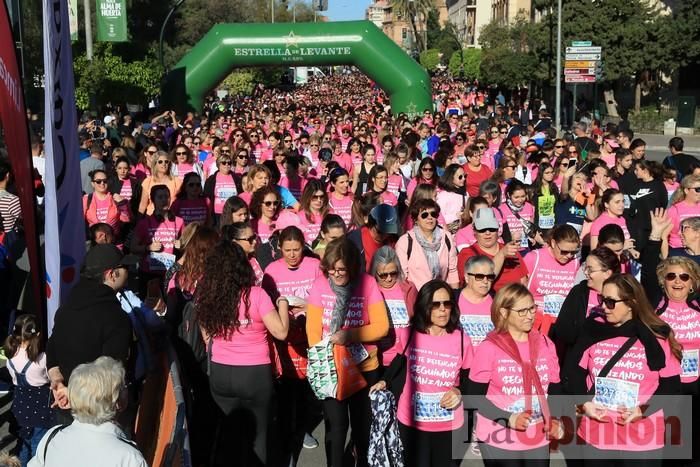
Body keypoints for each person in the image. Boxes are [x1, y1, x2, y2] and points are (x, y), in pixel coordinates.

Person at [566, 274, 681, 465]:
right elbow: (574, 375)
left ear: (631, 303)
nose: (603, 306)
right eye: (602, 299)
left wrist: (643, 410)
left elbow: (671, 386)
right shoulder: (592, 330)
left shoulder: (656, 337)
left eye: (611, 302)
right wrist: (584, 404)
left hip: (642, 437)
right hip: (598, 433)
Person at [196, 241, 289, 466]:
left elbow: (206, 336)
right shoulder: (256, 295)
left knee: (231, 437)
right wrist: (283, 303)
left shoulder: (207, 298)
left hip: (220, 373)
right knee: (258, 439)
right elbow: (281, 331)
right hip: (254, 375)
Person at [369, 279, 472, 467]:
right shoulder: (409, 334)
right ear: (425, 305)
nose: (443, 309)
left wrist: (458, 392)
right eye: (436, 304)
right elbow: (399, 361)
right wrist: (385, 381)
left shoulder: (462, 339)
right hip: (412, 423)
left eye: (447, 303)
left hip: (449, 425)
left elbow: (470, 380)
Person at [306, 238, 389, 467]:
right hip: (331, 369)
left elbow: (381, 327)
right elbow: (313, 332)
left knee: (362, 427)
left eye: (341, 269)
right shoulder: (320, 284)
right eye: (331, 269)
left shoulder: (367, 283)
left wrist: (349, 336)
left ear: (353, 266)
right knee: (336, 425)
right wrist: (326, 357)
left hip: (364, 368)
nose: (336, 274)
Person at [468, 283, 561, 466]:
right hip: (499, 435)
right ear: (503, 312)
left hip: (536, 435)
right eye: (522, 311)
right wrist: (508, 418)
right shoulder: (489, 348)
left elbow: (555, 387)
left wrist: (556, 418)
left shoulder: (545, 344)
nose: (530, 315)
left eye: (532, 308)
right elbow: (472, 397)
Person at [46, 245, 136, 423]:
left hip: (65, 407)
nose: (129, 271)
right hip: (99, 415)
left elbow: (52, 345)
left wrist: (58, 382)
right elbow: (112, 371)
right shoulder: (115, 317)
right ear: (111, 274)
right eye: (124, 267)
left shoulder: (66, 308)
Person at [261, 226, 322, 461]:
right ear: (279, 249)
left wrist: (307, 307)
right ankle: (286, 434)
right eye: (287, 250)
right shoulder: (271, 271)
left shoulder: (314, 266)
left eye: (297, 250)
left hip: (309, 336)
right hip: (284, 340)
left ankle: (303, 429)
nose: (293, 255)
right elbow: (266, 304)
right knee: (287, 390)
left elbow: (323, 296)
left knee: (308, 390)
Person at [29, 357, 147, 467]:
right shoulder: (129, 458)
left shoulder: (52, 437)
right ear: (117, 402)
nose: (127, 389)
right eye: (124, 386)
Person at [551, 246, 622, 366]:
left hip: (610, 362)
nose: (585, 272)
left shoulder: (623, 295)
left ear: (607, 273)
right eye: (585, 268)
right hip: (577, 360)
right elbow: (562, 329)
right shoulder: (579, 292)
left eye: (590, 269)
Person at [4, 315, 53, 464]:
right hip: (41, 410)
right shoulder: (42, 358)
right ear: (38, 335)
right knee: (38, 446)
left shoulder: (11, 356)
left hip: (20, 407)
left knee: (22, 445)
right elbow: (51, 379)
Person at [370, 246, 418, 368]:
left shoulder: (409, 289)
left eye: (393, 273)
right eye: (383, 275)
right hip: (377, 359)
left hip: (404, 358)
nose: (389, 278)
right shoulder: (369, 290)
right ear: (375, 272)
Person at [458, 208, 528, 292]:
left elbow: (524, 281)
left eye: (492, 228)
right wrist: (502, 255)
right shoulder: (467, 254)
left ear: (498, 229)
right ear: (474, 231)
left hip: (515, 301)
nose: (487, 233)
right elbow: (476, 286)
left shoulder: (510, 250)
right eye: (482, 229)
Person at [395, 199, 459, 290]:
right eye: (424, 215)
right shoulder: (405, 241)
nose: (430, 217)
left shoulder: (446, 237)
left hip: (441, 296)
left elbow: (452, 271)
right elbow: (402, 277)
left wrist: (454, 295)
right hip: (416, 297)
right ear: (416, 219)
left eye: (433, 214)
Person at [523, 224, 581, 322]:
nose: (569, 256)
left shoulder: (575, 262)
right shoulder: (534, 258)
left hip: (561, 321)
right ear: (553, 243)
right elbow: (519, 289)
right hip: (535, 319)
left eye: (573, 252)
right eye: (564, 251)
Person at [131, 185, 185, 280]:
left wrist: (181, 245)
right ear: (153, 200)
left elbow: (187, 245)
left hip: (171, 273)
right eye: (160, 197)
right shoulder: (144, 223)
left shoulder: (179, 221)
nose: (164, 200)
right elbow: (133, 247)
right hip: (149, 273)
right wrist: (148, 247)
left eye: (166, 197)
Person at [347, 203, 399, 273]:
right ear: (371, 224)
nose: (384, 235)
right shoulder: (355, 240)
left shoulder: (393, 240)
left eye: (388, 231)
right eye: (380, 231)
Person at [458, 255, 496, 347]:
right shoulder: (453, 300)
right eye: (479, 276)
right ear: (467, 277)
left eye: (489, 277)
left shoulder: (497, 301)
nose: (485, 281)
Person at [82, 169, 131, 239]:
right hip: (95, 244)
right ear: (92, 184)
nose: (102, 183)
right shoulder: (86, 199)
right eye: (98, 181)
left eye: (105, 181)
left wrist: (122, 204)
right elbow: (80, 222)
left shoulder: (115, 198)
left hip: (114, 242)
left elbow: (126, 220)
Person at [137, 151, 182, 215]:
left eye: (166, 161)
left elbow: (181, 203)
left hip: (171, 217)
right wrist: (139, 221)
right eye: (160, 162)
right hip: (152, 218)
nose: (164, 164)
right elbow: (143, 205)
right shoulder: (148, 181)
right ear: (155, 164)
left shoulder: (177, 181)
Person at [204, 153, 241, 225]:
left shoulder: (236, 178)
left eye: (229, 163)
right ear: (218, 165)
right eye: (224, 163)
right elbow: (207, 196)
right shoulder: (211, 179)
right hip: (217, 213)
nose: (227, 165)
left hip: (232, 212)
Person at [668, 174, 700, 250]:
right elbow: (665, 234)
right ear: (686, 190)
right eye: (698, 189)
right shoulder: (675, 209)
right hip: (679, 249)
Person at [436, 164, 468, 234]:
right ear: (451, 178)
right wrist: (455, 216)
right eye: (460, 177)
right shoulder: (443, 196)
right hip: (448, 232)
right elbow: (438, 217)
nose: (463, 179)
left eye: (465, 176)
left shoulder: (465, 193)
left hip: (463, 230)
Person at [297, 180, 329, 244]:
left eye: (321, 197)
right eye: (315, 197)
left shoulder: (330, 215)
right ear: (308, 197)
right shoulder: (299, 217)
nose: (319, 200)